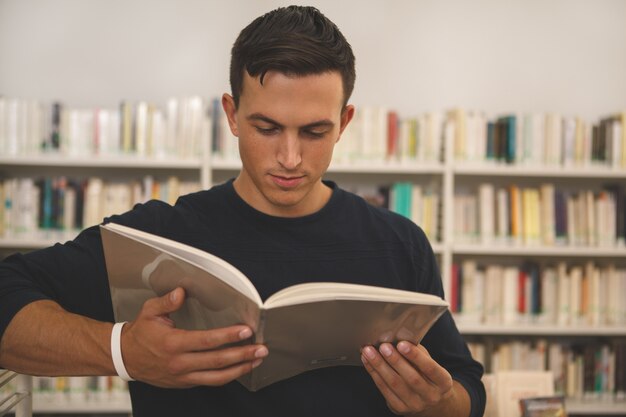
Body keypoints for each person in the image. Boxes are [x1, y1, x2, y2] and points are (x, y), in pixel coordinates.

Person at [0, 5, 485, 417]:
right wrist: (122, 351)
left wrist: (439, 403)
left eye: (314, 132)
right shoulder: (156, 236)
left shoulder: (399, 241)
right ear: (232, 115)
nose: (290, 158)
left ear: (344, 122)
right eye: (267, 128)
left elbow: (466, 387)